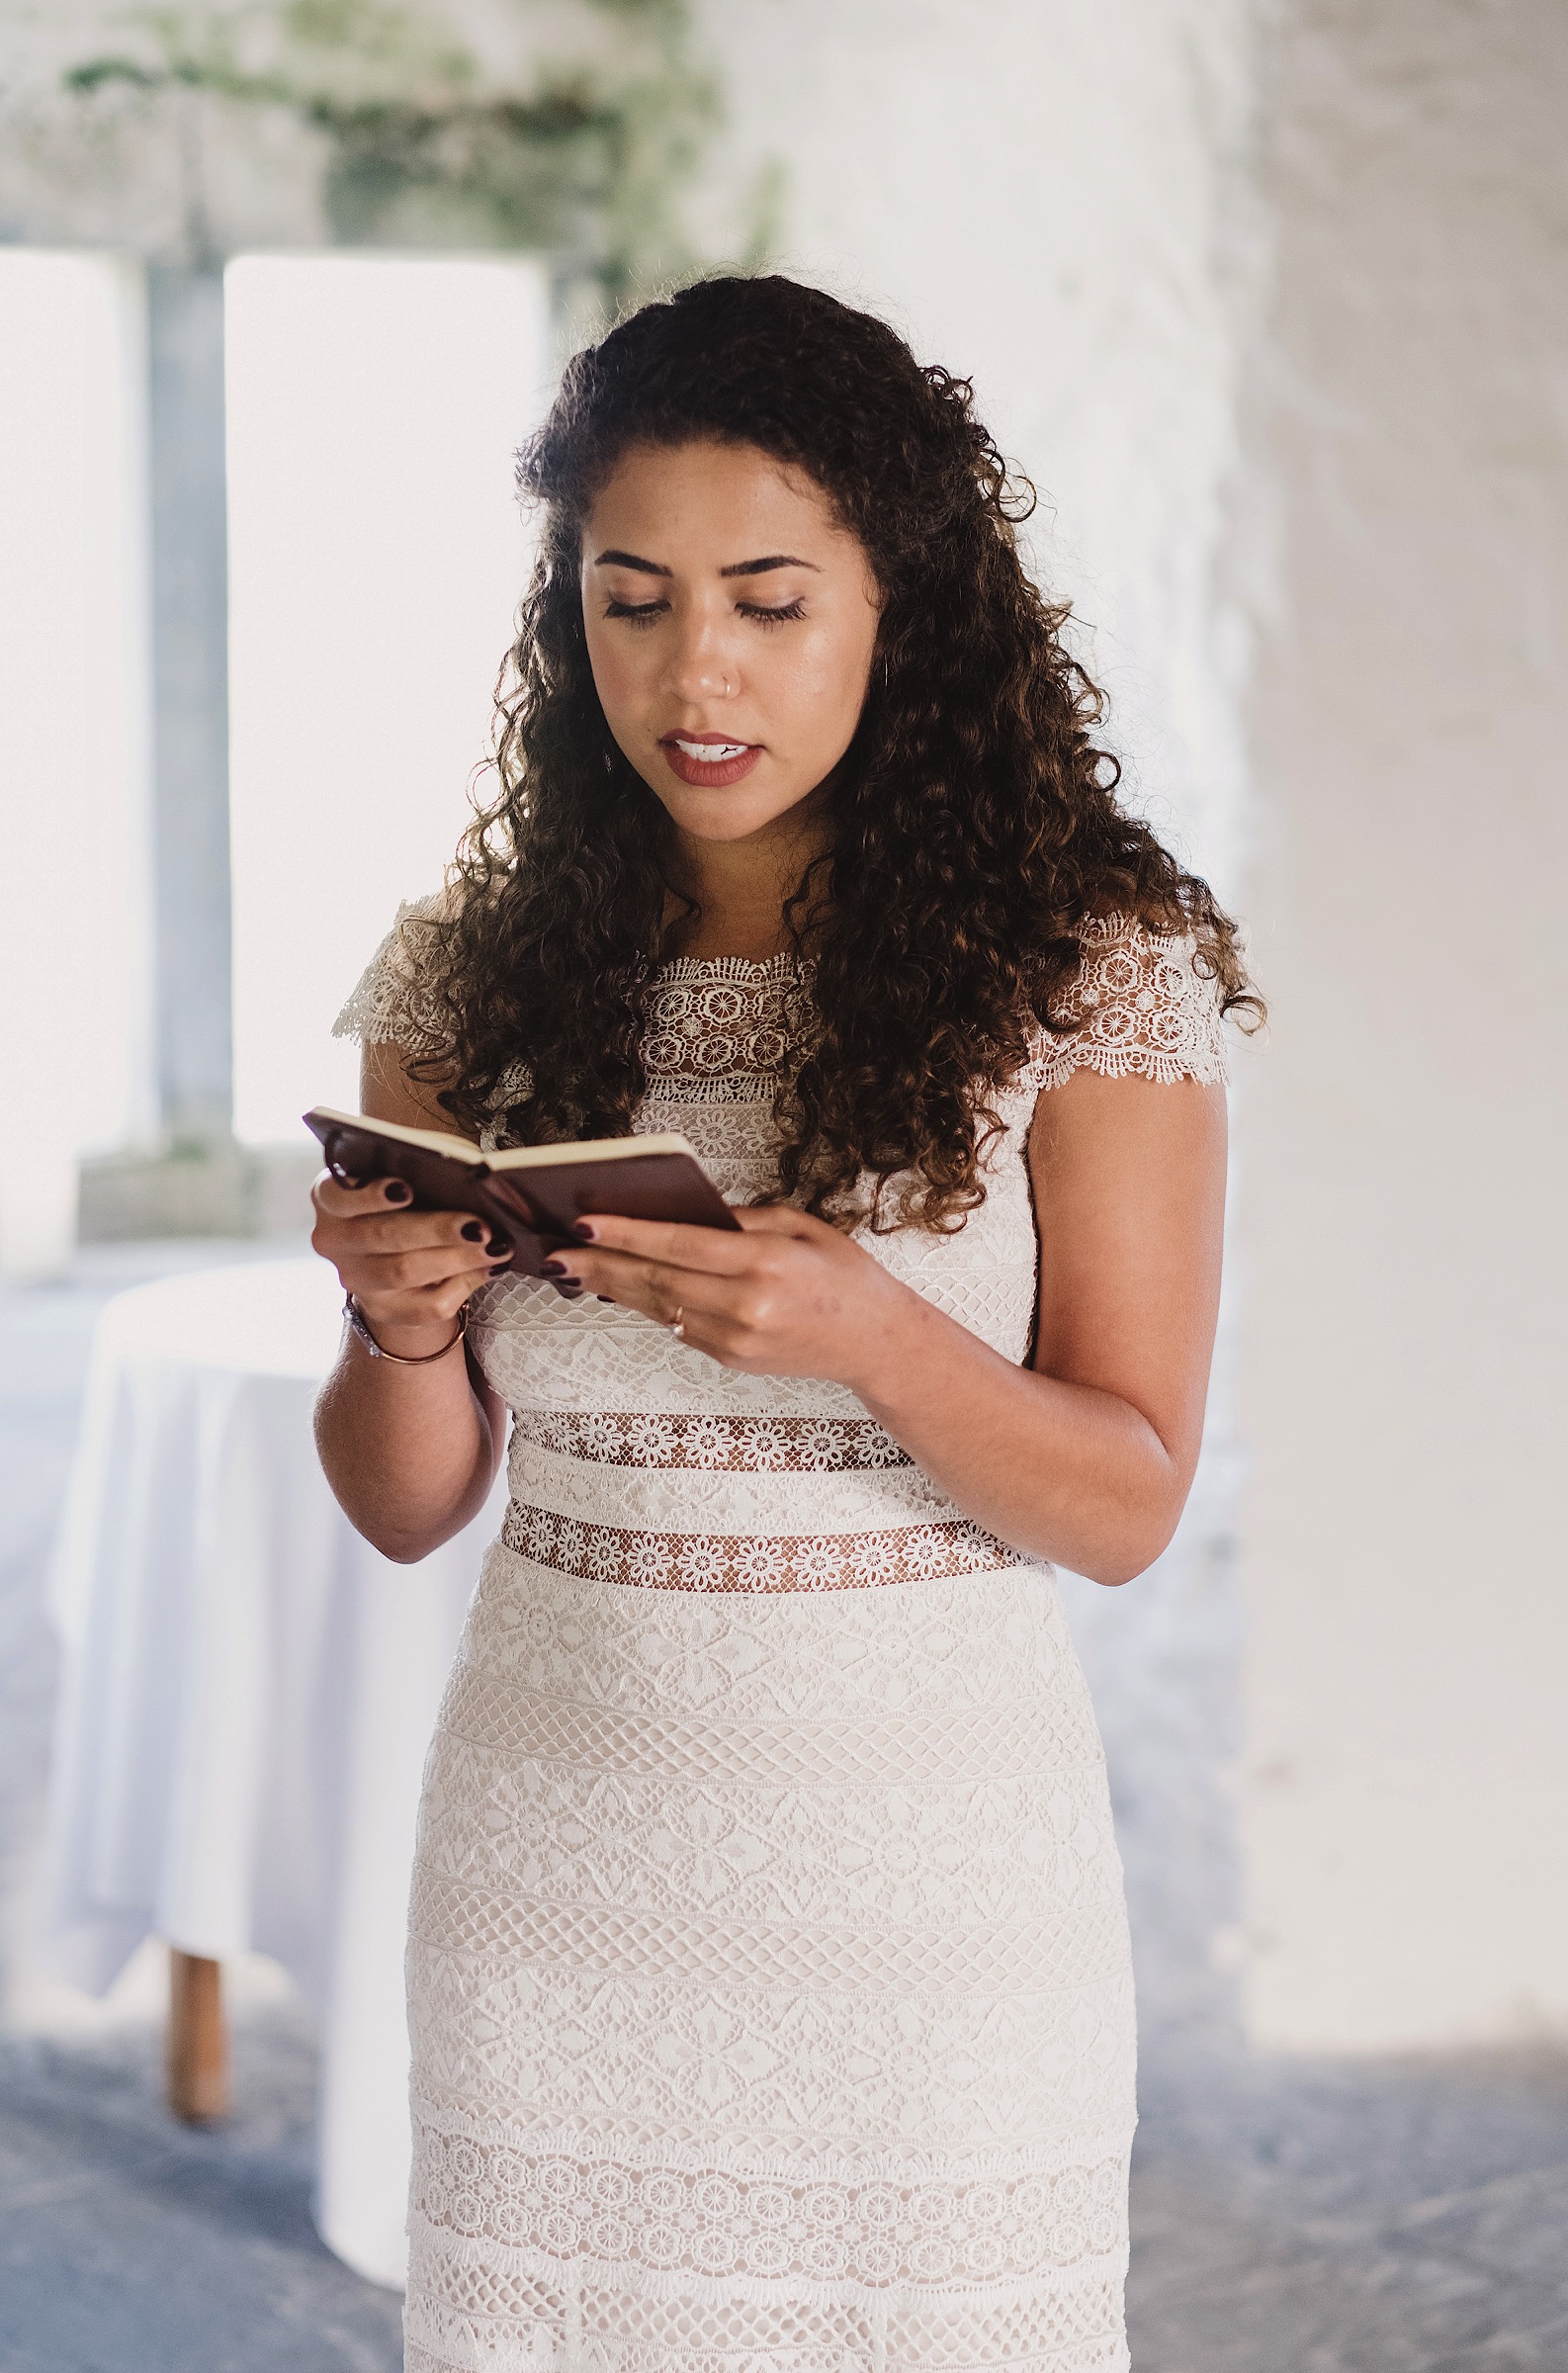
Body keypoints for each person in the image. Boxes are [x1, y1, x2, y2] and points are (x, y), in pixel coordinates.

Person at [312, 273, 1256, 2373]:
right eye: (627, 597)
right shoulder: (468, 976)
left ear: (897, 603)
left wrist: (873, 1336)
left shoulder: (1086, 971)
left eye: (764, 597)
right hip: (550, 1866)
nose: (689, 670)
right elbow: (403, 1513)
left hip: (923, 1905)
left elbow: (1118, 1506)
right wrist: (392, 1332)